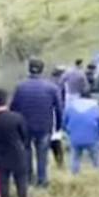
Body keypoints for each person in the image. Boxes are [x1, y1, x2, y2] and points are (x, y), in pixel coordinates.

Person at [9, 58, 63, 187]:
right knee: (42, 154)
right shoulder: (52, 88)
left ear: (29, 69)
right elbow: (59, 109)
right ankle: (42, 180)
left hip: (25, 126)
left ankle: (28, 179)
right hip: (44, 126)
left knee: (26, 152)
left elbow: (13, 107)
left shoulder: (20, 87)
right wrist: (58, 126)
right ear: (42, 70)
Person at [63, 89, 99, 175]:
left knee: (75, 158)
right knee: (96, 159)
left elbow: (64, 122)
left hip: (75, 138)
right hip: (93, 138)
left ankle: (74, 175)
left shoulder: (71, 107)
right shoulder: (96, 107)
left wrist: (68, 132)